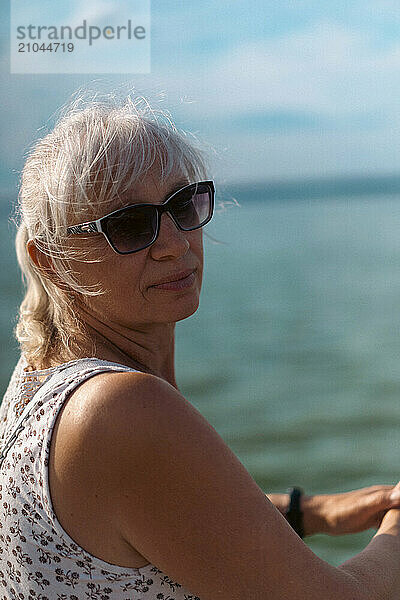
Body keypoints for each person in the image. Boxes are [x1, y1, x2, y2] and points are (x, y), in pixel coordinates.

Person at [0, 93, 399, 600]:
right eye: (128, 223)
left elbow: (149, 510)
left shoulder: (39, 376)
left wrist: (308, 513)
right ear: (54, 261)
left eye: (181, 204)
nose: (174, 242)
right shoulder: (119, 409)